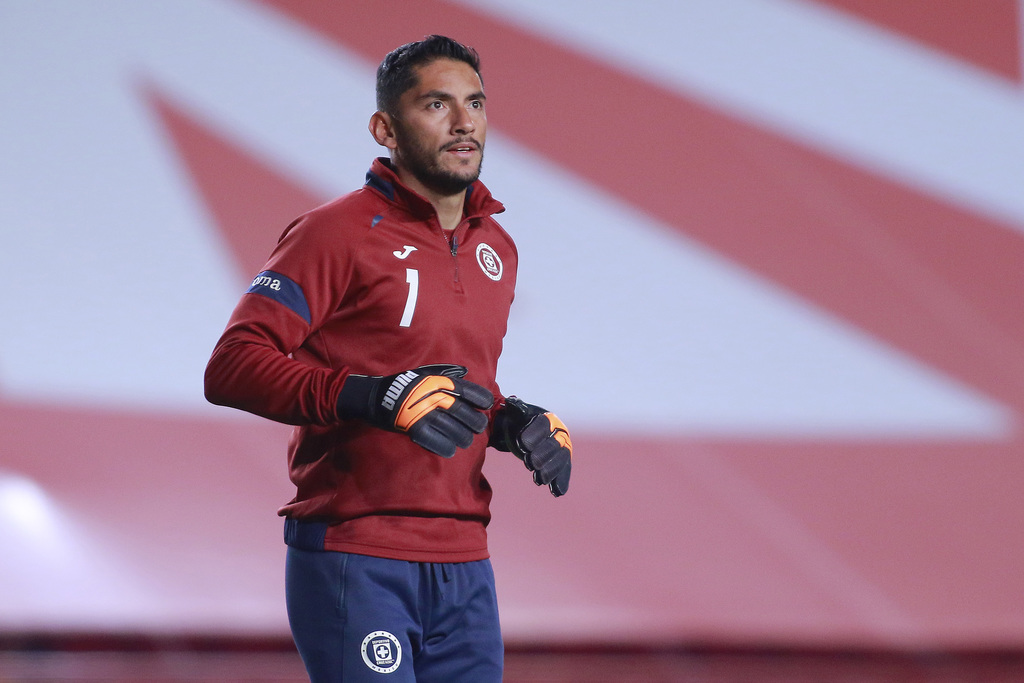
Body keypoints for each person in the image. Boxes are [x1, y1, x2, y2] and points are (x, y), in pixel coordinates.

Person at [204, 35, 572, 682]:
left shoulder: (498, 248)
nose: (464, 123)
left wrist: (510, 422)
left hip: (466, 562)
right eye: (436, 104)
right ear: (386, 129)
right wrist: (374, 396)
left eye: (475, 103)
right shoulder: (334, 232)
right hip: (355, 552)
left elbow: (447, 380)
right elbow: (233, 365)